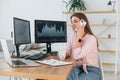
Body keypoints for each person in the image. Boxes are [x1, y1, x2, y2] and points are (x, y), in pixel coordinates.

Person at [66, 12, 101, 80]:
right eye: (71, 22)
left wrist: (79, 37)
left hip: (91, 69)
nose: (72, 24)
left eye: (75, 21)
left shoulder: (91, 39)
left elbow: (76, 56)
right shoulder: (72, 36)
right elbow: (68, 50)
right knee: (66, 77)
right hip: (77, 67)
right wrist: (65, 54)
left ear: (83, 23)